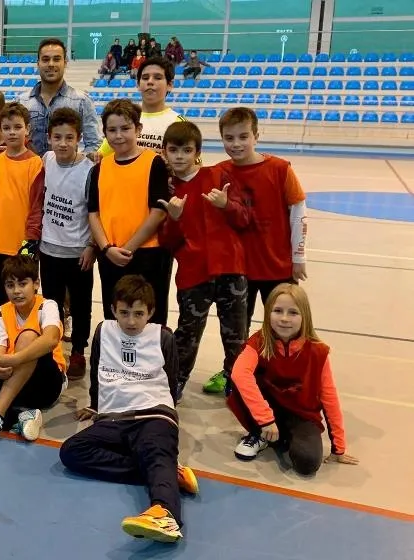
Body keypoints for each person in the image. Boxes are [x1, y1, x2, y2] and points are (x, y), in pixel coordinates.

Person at [59, 275, 199, 544]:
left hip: (153, 414)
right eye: (124, 313)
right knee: (72, 452)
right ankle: (168, 473)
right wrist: (96, 404)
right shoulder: (103, 331)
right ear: (113, 310)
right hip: (113, 419)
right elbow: (98, 369)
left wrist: (166, 414)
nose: (131, 321)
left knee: (156, 452)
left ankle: (166, 514)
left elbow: (171, 381)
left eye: (138, 314)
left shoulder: (162, 337)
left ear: (151, 312)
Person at [211, 107, 308, 394]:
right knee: (235, 329)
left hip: (276, 266)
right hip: (238, 269)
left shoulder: (279, 169)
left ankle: (284, 375)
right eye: (229, 138)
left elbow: (298, 212)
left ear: (256, 135)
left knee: (283, 324)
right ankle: (235, 372)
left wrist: (298, 257)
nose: (236, 144)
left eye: (243, 136)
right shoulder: (220, 172)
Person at [158, 121, 249, 401]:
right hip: (193, 276)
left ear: (197, 151)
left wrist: (227, 205)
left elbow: (244, 218)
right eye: (174, 150)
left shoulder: (219, 175)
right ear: (165, 153)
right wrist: (173, 219)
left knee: (236, 336)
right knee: (187, 336)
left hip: (231, 271)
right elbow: (167, 242)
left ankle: (239, 386)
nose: (180, 156)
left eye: (187, 150)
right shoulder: (168, 190)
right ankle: (175, 383)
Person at [227, 283, 359, 473]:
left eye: (293, 313)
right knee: (237, 381)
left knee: (307, 463)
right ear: (268, 313)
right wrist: (265, 419)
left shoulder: (317, 352)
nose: (284, 319)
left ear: (304, 316)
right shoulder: (259, 342)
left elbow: (329, 398)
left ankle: (282, 436)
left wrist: (339, 446)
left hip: (301, 414)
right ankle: (260, 433)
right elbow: (239, 373)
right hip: (268, 411)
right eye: (278, 311)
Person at [0, 255, 67, 447]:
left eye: (22, 284)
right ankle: (22, 415)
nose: (16, 291)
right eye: (10, 285)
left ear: (36, 284)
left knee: (28, 337)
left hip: (47, 380)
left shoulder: (47, 306)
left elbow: (51, 339)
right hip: (13, 376)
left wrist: (15, 359)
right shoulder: (0, 312)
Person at [25, 108, 95, 381]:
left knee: (80, 305)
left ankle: (78, 350)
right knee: (51, 304)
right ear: (49, 138)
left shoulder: (89, 169)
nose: (63, 143)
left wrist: (92, 246)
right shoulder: (47, 159)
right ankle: (51, 350)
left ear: (78, 138)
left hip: (78, 252)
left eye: (69, 137)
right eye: (57, 137)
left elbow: (93, 211)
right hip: (49, 248)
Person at [87, 99, 171, 326]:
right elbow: (93, 213)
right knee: (115, 317)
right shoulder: (99, 168)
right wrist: (106, 248)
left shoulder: (154, 163)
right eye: (112, 130)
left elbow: (159, 211)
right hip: (111, 255)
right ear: (104, 133)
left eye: (125, 128)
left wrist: (128, 247)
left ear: (138, 129)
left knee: (150, 320)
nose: (119, 135)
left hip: (147, 255)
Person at [0, 102, 43, 336]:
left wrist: (29, 242)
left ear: (27, 129)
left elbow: (37, 206)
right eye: (6, 127)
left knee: (22, 297)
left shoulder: (35, 163)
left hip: (21, 245)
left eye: (17, 127)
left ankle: (25, 336)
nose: (11, 132)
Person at [18, 38, 100, 159]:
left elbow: (93, 144)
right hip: (29, 175)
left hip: (66, 175)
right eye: (45, 59)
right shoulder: (22, 102)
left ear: (65, 63)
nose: (51, 64)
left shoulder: (81, 101)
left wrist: (78, 165)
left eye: (56, 59)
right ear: (38, 63)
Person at [99, 56, 185, 158]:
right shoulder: (126, 116)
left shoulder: (178, 123)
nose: (150, 82)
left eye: (157, 77)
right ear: (138, 84)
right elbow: (101, 155)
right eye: (145, 78)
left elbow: (192, 166)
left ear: (170, 84)